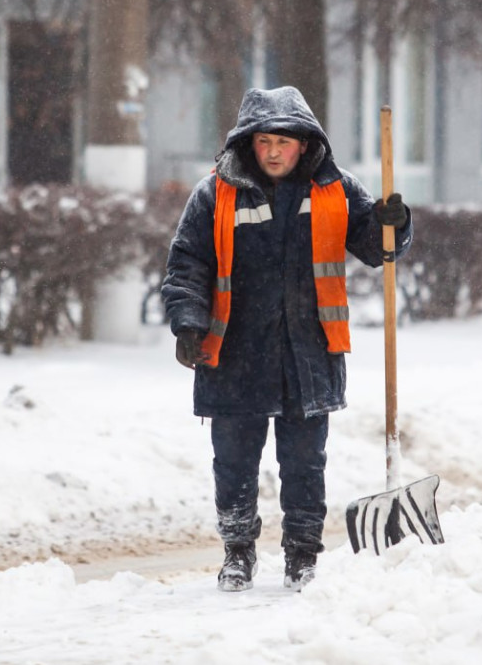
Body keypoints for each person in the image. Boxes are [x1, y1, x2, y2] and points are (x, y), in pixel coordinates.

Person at [162, 86, 412, 592]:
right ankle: (237, 552)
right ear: (247, 144)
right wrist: (188, 321)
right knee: (233, 463)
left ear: (305, 143)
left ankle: (302, 555)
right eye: (263, 142)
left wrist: (394, 224)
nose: (273, 151)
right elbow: (187, 263)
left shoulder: (335, 189)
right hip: (233, 352)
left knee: (304, 464)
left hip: (308, 352)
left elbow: (375, 247)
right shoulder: (215, 193)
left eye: (283, 141)